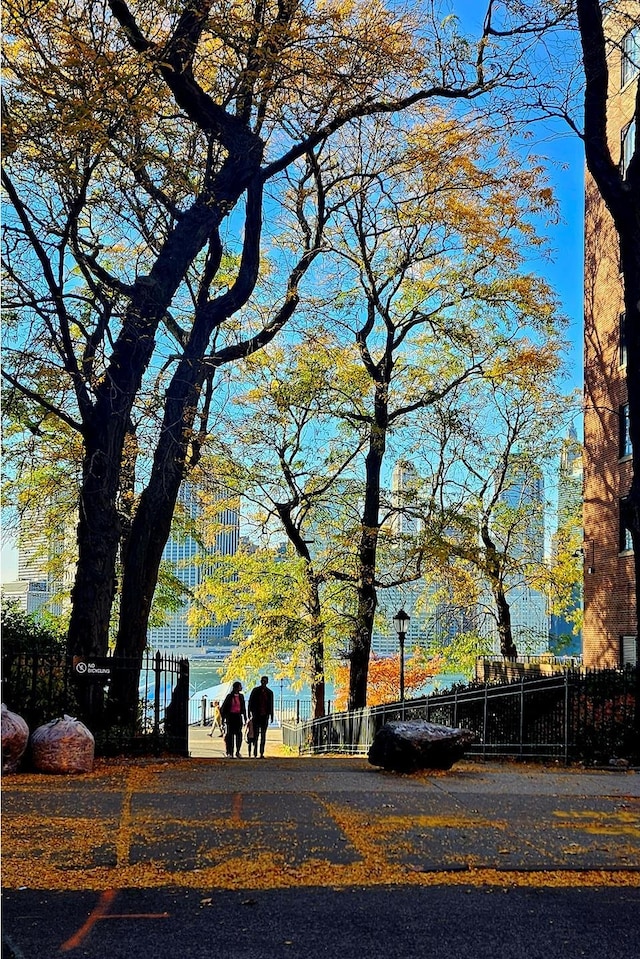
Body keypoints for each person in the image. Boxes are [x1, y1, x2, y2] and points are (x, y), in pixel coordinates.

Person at [248, 676, 274, 758]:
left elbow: (271, 704)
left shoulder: (269, 692)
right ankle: (255, 752)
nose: (264, 682)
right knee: (255, 734)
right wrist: (249, 712)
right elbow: (250, 701)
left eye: (265, 681)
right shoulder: (255, 690)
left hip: (265, 716)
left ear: (267, 682)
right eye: (263, 680)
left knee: (263, 735)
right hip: (256, 715)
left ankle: (261, 752)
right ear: (260, 681)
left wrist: (271, 715)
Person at [220, 682, 246, 757]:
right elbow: (223, 708)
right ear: (236, 687)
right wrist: (223, 719)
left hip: (238, 717)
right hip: (230, 717)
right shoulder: (229, 696)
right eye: (240, 686)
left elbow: (243, 708)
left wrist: (245, 718)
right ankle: (229, 752)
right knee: (229, 736)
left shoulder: (241, 696)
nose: (241, 688)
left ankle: (238, 751)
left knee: (239, 735)